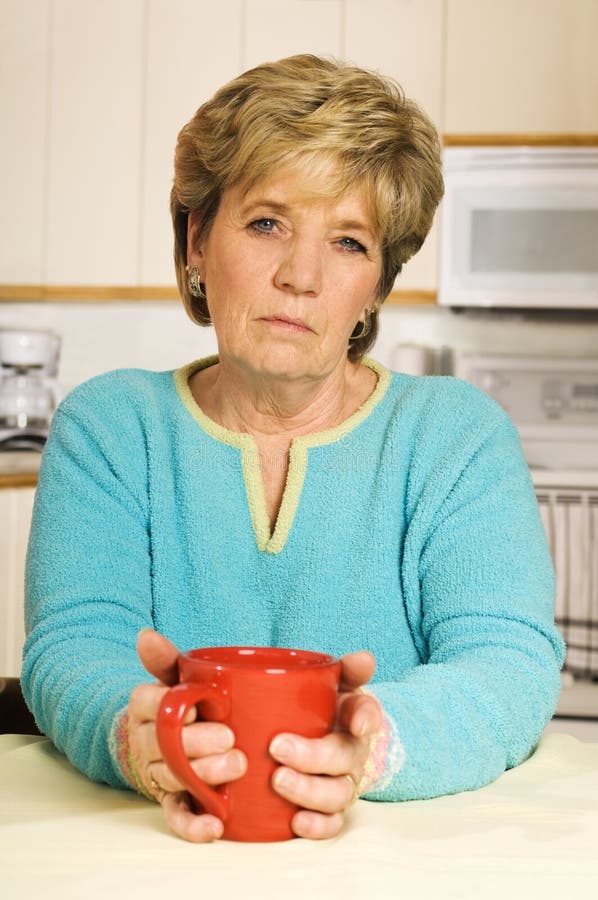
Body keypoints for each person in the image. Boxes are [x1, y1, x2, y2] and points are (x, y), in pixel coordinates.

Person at [22, 54, 564, 844]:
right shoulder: (108, 427)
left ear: (377, 284)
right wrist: (134, 737)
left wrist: (367, 742)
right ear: (198, 240)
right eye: (267, 222)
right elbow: (73, 648)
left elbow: (508, 663)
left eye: (349, 242)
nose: (301, 276)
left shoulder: (456, 435)